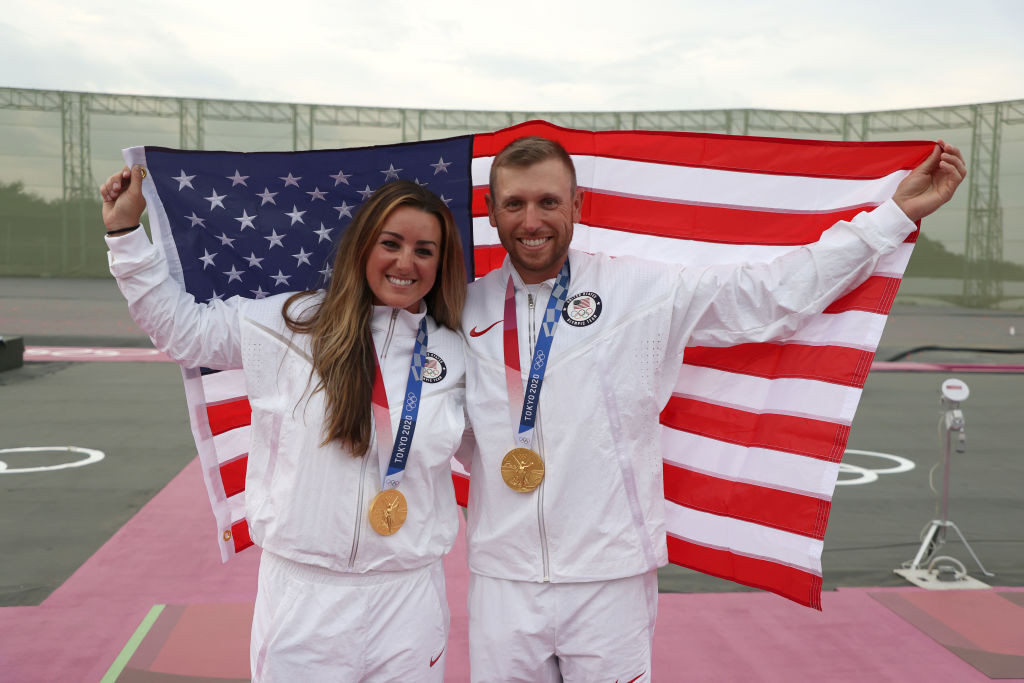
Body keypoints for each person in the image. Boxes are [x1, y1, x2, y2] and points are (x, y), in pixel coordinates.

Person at [458, 136, 966, 682]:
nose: (531, 220)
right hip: (503, 583)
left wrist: (893, 217)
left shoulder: (639, 289)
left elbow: (770, 296)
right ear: (491, 212)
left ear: (578, 205)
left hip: (610, 580)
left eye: (548, 202)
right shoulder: (461, 311)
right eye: (514, 204)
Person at [100, 169, 468, 682]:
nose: (406, 262)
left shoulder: (457, 351)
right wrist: (125, 236)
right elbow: (183, 331)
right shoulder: (288, 323)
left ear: (441, 263)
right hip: (304, 598)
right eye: (391, 243)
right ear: (363, 245)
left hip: (410, 598)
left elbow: (493, 450)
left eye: (425, 250)